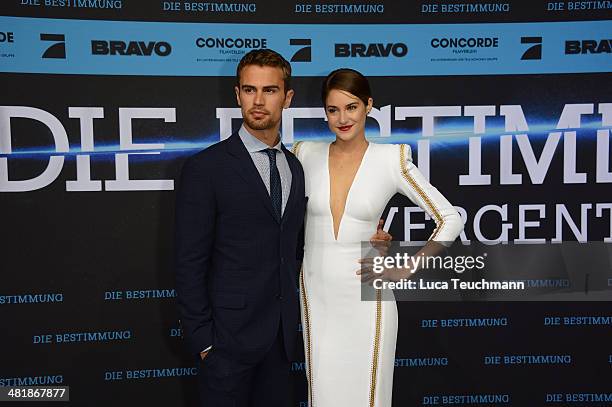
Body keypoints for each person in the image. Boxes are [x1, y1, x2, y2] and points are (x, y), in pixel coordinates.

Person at [174, 51, 391, 407]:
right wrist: (205, 343)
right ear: (237, 94)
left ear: (287, 98)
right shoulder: (205, 168)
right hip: (226, 347)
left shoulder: (296, 165)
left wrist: (366, 242)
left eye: (270, 90)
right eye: (249, 90)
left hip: (281, 345)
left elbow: (302, 244)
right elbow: (188, 262)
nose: (258, 101)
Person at [292, 68, 464, 406]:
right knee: (322, 397)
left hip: (368, 295)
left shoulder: (391, 159)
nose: (343, 118)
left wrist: (406, 267)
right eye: (333, 109)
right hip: (316, 294)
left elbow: (449, 219)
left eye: (352, 107)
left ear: (368, 106)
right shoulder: (302, 153)